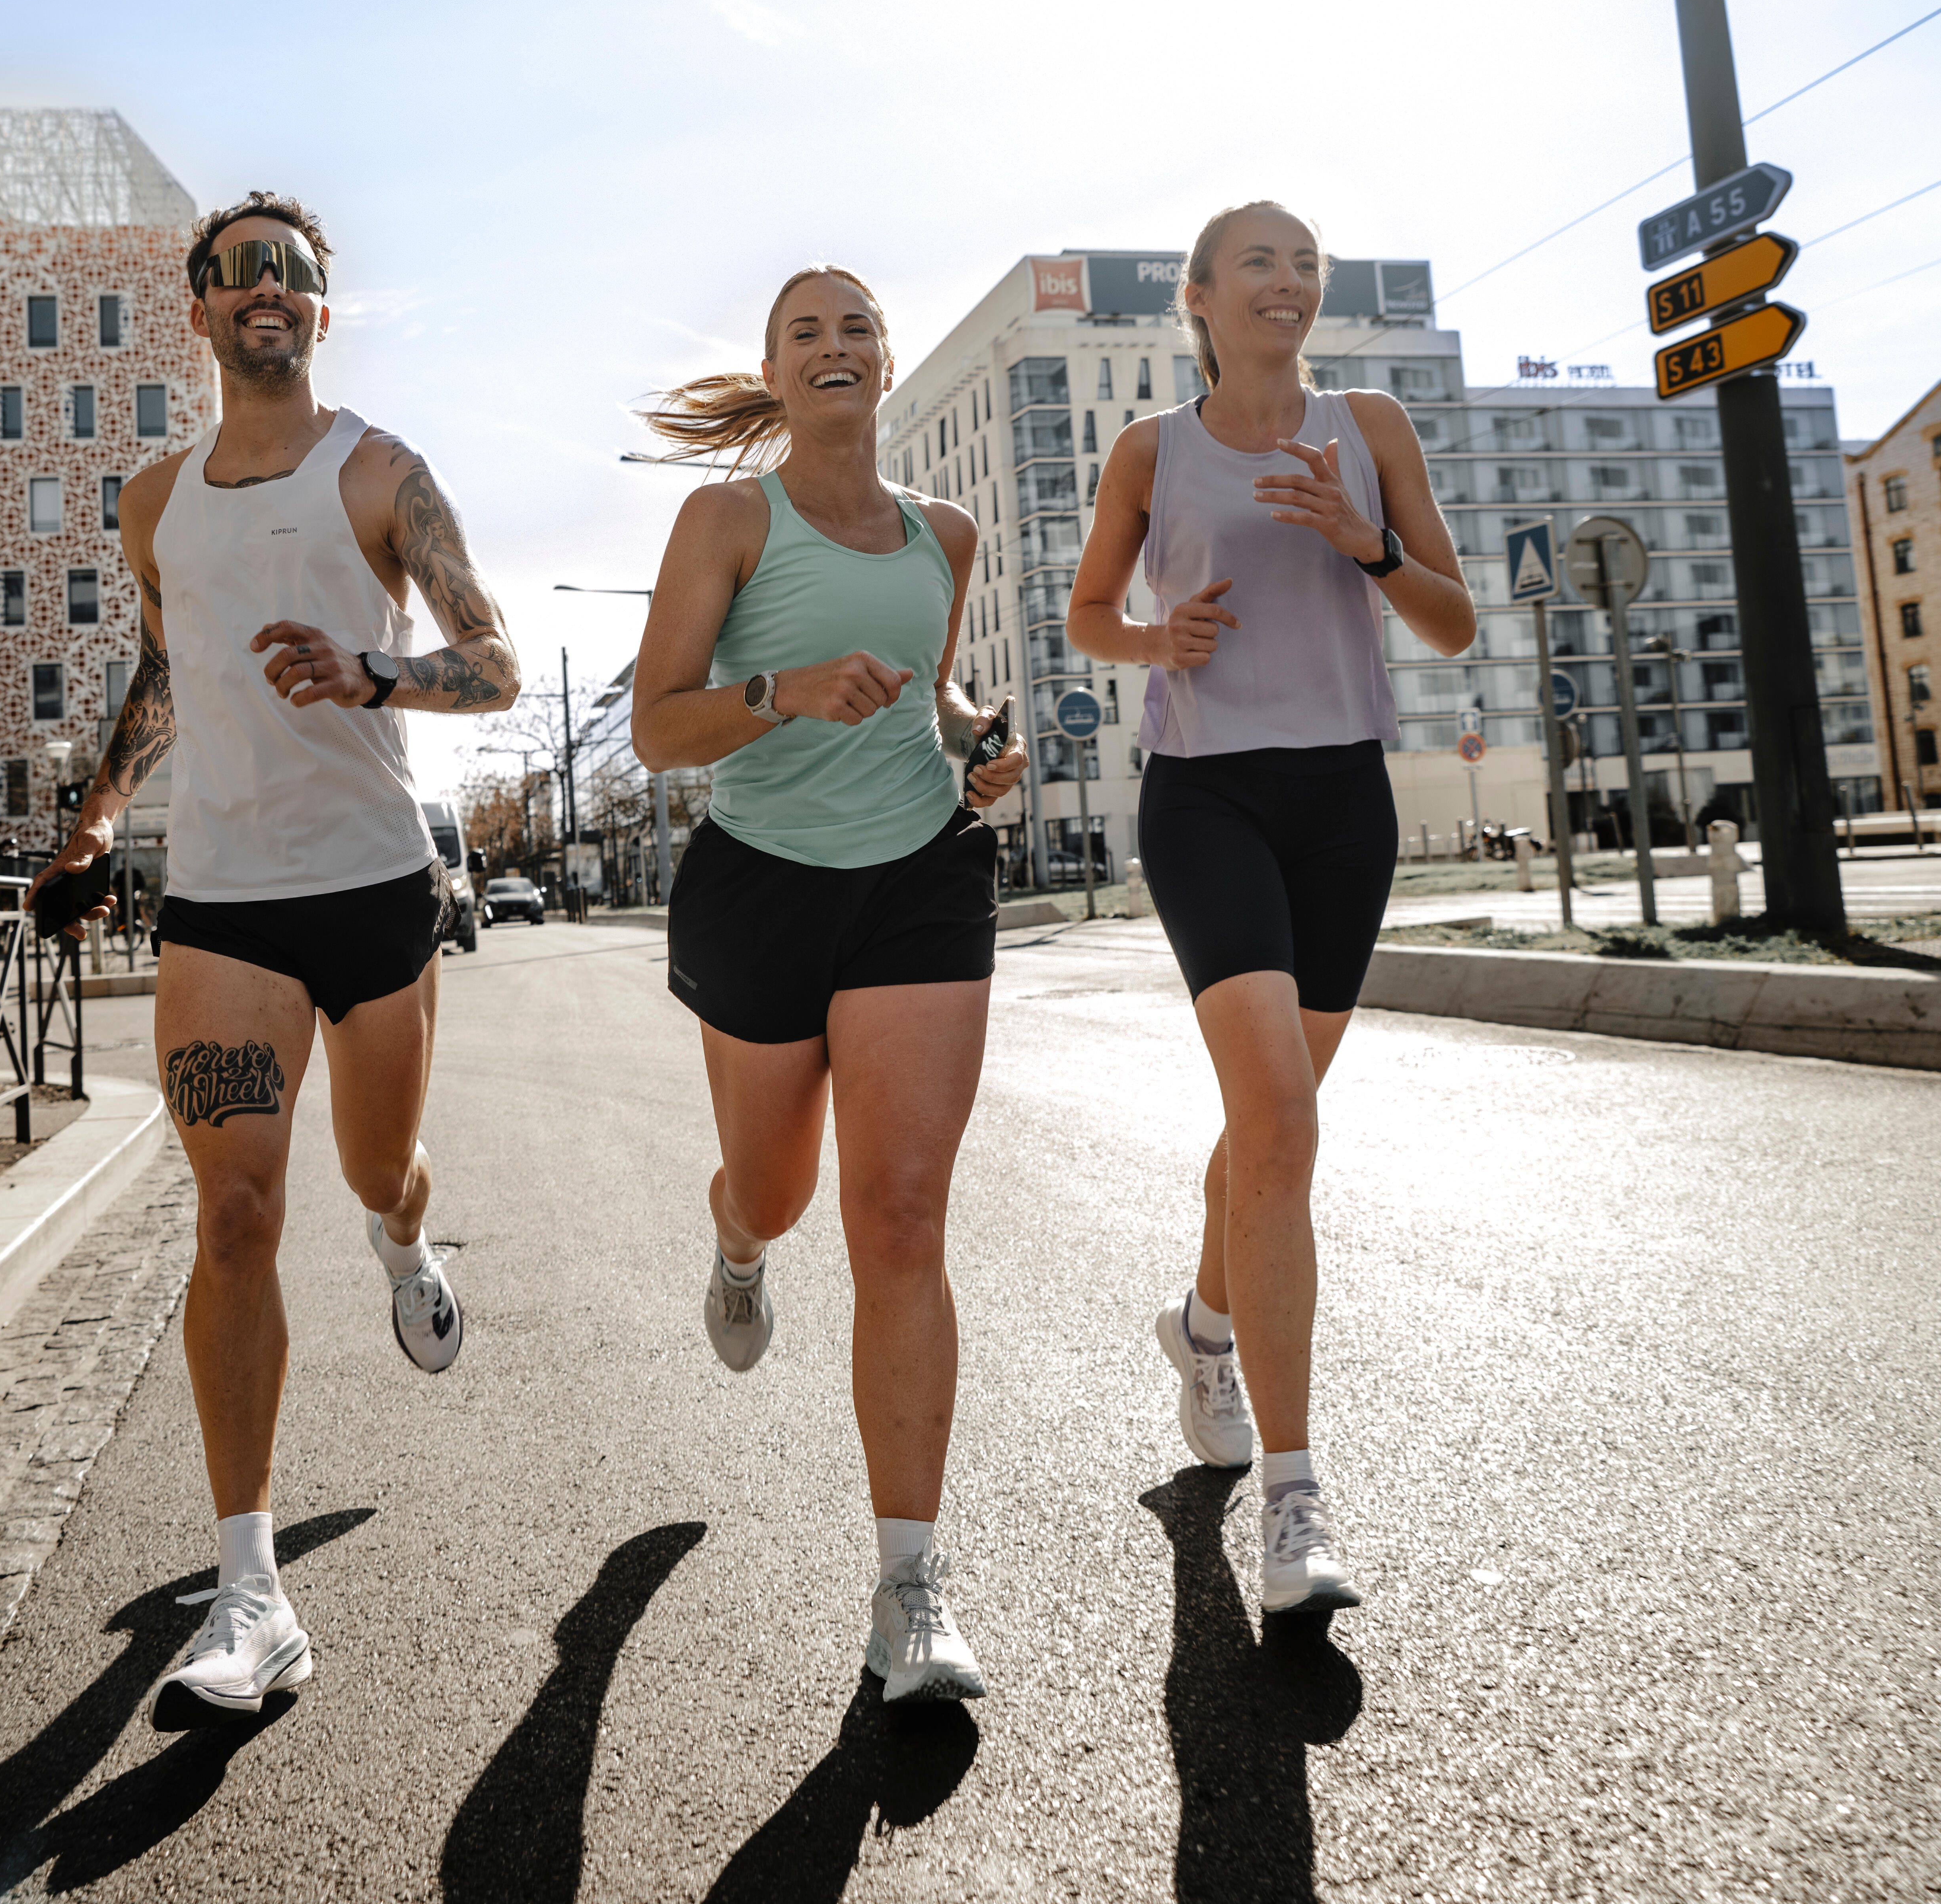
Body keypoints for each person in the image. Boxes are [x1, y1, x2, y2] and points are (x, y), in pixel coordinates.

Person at [29, 191, 522, 1725]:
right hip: (224, 903)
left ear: (322, 312)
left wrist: (372, 667)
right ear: (199, 307)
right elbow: (168, 668)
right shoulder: (153, 501)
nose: (268, 291)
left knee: (380, 1171)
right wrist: (102, 813)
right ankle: (250, 1590)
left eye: (295, 277)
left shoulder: (380, 473)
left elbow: (496, 661)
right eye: (239, 272)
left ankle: (403, 1243)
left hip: (373, 888)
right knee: (236, 1212)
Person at [1067, 200, 1474, 1627]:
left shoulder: (1369, 426)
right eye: (1261, 264)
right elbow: (1088, 617)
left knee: (1264, 1126)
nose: (1290, 284)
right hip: (1207, 800)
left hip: (1341, 804)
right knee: (1287, 1125)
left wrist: (1364, 543)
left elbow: (1453, 620)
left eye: (1307, 265)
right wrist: (1151, 639)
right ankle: (1294, 1503)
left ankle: (1204, 1325)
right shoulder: (1150, 450)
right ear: (1199, 296)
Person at [628, 265, 1028, 1704]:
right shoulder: (730, 519)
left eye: (856, 324)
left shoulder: (949, 532)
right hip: (764, 885)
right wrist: (783, 692)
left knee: (903, 1215)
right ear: (779, 378)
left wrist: (976, 737)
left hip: (921, 874)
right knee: (782, 1192)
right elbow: (657, 728)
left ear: (884, 361)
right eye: (807, 331)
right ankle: (735, 1238)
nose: (836, 344)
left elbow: (936, 690)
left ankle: (910, 1587)